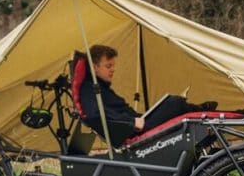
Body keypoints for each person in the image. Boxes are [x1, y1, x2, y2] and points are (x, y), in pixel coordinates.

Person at [77, 44, 216, 146]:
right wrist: (131, 123)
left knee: (170, 102)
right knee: (174, 103)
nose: (113, 70)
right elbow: (94, 115)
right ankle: (202, 110)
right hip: (132, 130)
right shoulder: (89, 90)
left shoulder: (101, 88)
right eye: (108, 66)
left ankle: (200, 110)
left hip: (137, 122)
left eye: (113, 66)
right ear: (95, 67)